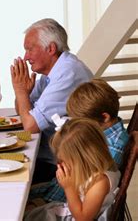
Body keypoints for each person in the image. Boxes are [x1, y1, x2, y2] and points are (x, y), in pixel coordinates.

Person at [10, 18, 92, 183]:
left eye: (29, 50)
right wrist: (23, 93)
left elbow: (30, 126)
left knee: (6, 174)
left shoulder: (67, 72)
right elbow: (22, 112)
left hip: (68, 167)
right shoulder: (51, 73)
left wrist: (20, 91)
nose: (25, 57)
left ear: (51, 48)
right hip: (52, 156)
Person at [28, 79, 129, 204]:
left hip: (66, 201)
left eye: (83, 122)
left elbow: (84, 182)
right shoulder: (103, 133)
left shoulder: (114, 147)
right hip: (58, 189)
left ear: (104, 117)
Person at [24, 118, 120, 220]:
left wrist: (69, 188)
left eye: (65, 160)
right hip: (69, 210)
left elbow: (83, 218)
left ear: (84, 159)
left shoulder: (100, 182)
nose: (61, 163)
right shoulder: (93, 171)